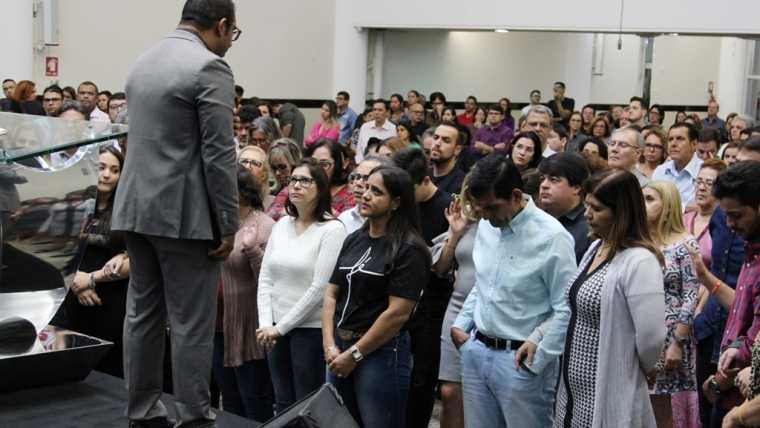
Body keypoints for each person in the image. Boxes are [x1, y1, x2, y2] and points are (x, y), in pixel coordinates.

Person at [112, 1, 241, 426]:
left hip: (134, 207)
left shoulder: (143, 61)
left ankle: (143, 411)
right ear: (221, 25)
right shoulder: (209, 68)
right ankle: (193, 417)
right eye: (233, 34)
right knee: (190, 324)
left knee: (143, 314)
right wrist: (227, 223)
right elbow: (219, 154)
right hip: (183, 216)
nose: (229, 43)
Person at [451, 154, 576, 427]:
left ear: (516, 195)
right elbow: (486, 283)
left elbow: (566, 307)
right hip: (476, 350)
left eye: (492, 207)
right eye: (478, 207)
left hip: (521, 359)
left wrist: (539, 359)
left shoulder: (552, 237)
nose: (484, 215)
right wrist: (462, 323)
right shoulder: (487, 225)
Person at [554, 168, 666, 427]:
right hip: (574, 388)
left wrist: (645, 366)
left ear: (622, 212)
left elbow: (652, 337)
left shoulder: (640, 260)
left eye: (597, 208)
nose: (587, 214)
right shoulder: (597, 246)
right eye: (587, 205)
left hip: (607, 384)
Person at [322, 165, 431, 428]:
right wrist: (330, 346)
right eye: (366, 187)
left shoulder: (410, 249)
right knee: (339, 424)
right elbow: (330, 295)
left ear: (396, 203)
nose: (365, 195)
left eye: (376, 192)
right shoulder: (354, 239)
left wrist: (354, 355)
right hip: (339, 347)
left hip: (380, 354)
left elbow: (397, 314)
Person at [256, 158, 347, 413]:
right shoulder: (283, 224)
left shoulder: (332, 229)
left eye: (305, 180)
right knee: (283, 402)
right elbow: (265, 278)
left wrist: (279, 328)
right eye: (293, 179)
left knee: (306, 404)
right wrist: (266, 324)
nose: (296, 185)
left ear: (320, 188)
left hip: (309, 330)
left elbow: (319, 289)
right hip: (275, 329)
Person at [390, 148, 455, 428]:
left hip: (431, 309)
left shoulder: (448, 208)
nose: (399, 198)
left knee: (421, 384)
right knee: (395, 380)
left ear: (425, 181)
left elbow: (444, 270)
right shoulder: (397, 204)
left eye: (405, 190)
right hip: (398, 303)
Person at [212, 164, 276, 422]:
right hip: (215, 328)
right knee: (229, 398)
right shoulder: (215, 222)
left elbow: (268, 282)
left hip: (248, 329)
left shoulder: (265, 226)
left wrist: (251, 249)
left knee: (253, 399)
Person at [62, 146, 130, 378]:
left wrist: (91, 279)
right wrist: (77, 281)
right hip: (71, 291)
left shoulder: (126, 208)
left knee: (109, 364)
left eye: (114, 170)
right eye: (101, 168)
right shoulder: (72, 203)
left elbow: (136, 257)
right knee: (71, 361)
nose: (107, 175)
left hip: (110, 294)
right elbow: (57, 248)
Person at [641, 181, 700, 428]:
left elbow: (690, 296)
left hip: (668, 335)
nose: (643, 205)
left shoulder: (684, 243)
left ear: (668, 205)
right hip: (638, 329)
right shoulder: (638, 241)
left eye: (650, 199)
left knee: (659, 402)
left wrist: (678, 342)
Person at [680, 159, 727, 426]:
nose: (702, 188)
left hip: (707, 305)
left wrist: (698, 311)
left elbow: (719, 272)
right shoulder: (683, 218)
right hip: (677, 306)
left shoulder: (725, 223)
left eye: (710, 183)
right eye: (699, 181)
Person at [432, 173, 478, 428]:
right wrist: (456, 233)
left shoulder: (504, 222)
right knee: (449, 391)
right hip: (458, 308)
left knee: (480, 395)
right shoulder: (463, 220)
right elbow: (440, 268)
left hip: (491, 312)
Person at [538, 151, 593, 264]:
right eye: (542, 179)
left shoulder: (590, 229)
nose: (544, 185)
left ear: (576, 188)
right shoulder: (533, 220)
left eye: (553, 180)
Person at [337, 153, 394, 234]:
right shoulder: (344, 219)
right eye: (357, 177)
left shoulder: (395, 224)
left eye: (367, 178)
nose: (358, 183)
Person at [653, 123, 703, 212]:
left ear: (694, 144)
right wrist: (686, 207)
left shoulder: (704, 171)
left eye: (680, 139)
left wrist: (667, 207)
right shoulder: (660, 171)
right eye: (670, 139)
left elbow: (702, 207)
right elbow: (654, 204)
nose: (673, 144)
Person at [304, 139, 355, 216]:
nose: (316, 169)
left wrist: (316, 204)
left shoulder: (351, 195)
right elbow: (279, 211)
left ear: (337, 165)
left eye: (324, 164)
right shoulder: (298, 184)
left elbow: (348, 224)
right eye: (312, 162)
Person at [265, 138, 303, 222]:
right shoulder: (270, 189)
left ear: (296, 162)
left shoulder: (303, 191)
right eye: (273, 168)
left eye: (282, 167)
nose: (277, 173)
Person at [430, 122, 466, 198]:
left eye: (446, 140)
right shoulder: (422, 174)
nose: (437, 143)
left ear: (457, 149)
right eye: (436, 137)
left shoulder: (461, 183)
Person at [356, 99, 397, 164]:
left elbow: (392, 153)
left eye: (380, 110)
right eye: (375, 110)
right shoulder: (365, 126)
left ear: (387, 112)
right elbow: (360, 150)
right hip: (364, 163)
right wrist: (360, 163)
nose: (376, 113)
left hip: (384, 165)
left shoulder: (393, 129)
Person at [237, 146, 275, 210]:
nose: (247, 166)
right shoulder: (224, 198)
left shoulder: (273, 203)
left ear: (263, 176)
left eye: (254, 163)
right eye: (243, 161)